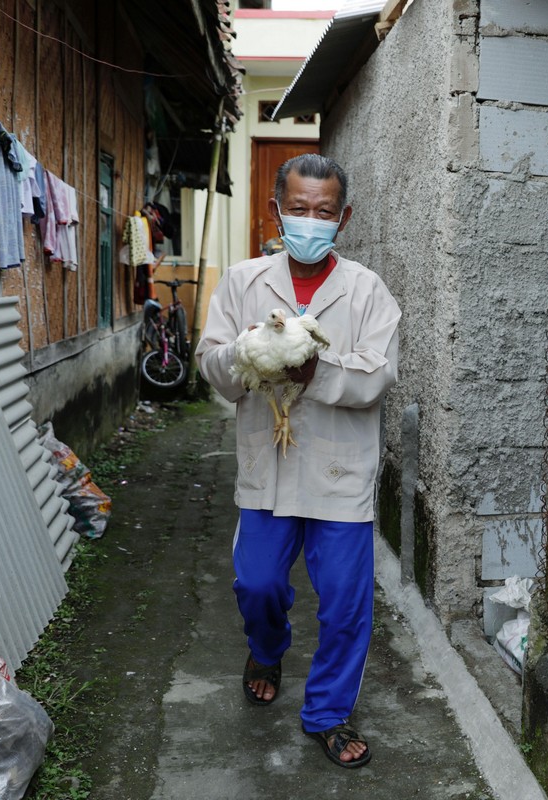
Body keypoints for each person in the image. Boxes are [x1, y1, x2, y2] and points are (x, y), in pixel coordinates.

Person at [196, 153, 400, 769]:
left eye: (325, 212)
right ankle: (267, 647)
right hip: (268, 469)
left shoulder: (367, 291)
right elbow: (210, 363)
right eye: (300, 209)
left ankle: (329, 713)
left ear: (344, 217)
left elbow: (377, 377)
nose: (311, 220)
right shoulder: (242, 281)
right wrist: (250, 354)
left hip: (341, 473)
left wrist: (315, 369)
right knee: (256, 584)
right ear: (277, 210)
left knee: (344, 602)